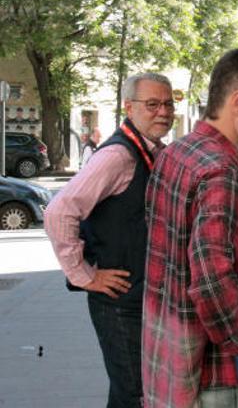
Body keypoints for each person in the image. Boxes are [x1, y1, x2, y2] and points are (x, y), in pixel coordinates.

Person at [142, 46, 238, 408]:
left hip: (174, 365)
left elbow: (182, 240)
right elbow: (210, 279)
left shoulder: (179, 152)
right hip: (227, 376)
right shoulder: (221, 172)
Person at [44, 72, 175, 407]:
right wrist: (84, 275)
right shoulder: (118, 156)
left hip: (140, 298)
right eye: (152, 104)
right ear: (129, 107)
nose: (163, 111)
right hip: (120, 302)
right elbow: (59, 212)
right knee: (134, 393)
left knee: (132, 390)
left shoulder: (152, 151)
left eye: (168, 104)